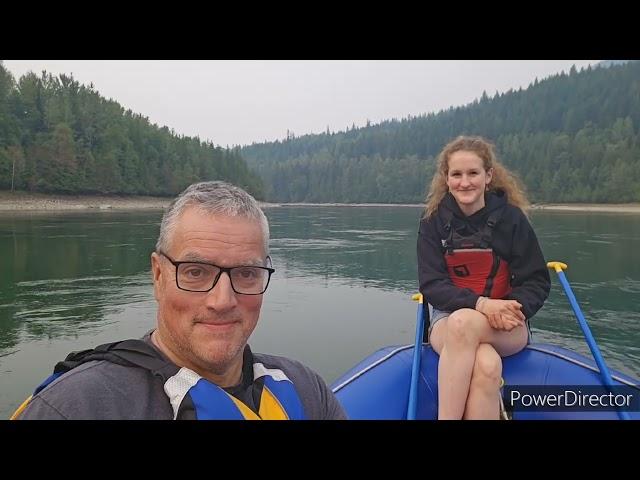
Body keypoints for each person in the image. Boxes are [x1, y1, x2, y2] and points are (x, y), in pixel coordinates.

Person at [15, 181, 347, 420]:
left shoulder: (306, 392)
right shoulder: (77, 408)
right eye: (195, 272)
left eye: (246, 273)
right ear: (158, 275)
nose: (222, 300)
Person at [417, 136, 550, 420]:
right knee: (486, 363)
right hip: (448, 322)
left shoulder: (512, 220)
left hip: (507, 322)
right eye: (457, 174)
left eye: (473, 173)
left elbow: (536, 281)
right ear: (446, 178)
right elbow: (432, 284)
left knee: (466, 323)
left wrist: (512, 308)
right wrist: (482, 305)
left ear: (488, 176)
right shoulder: (432, 223)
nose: (465, 182)